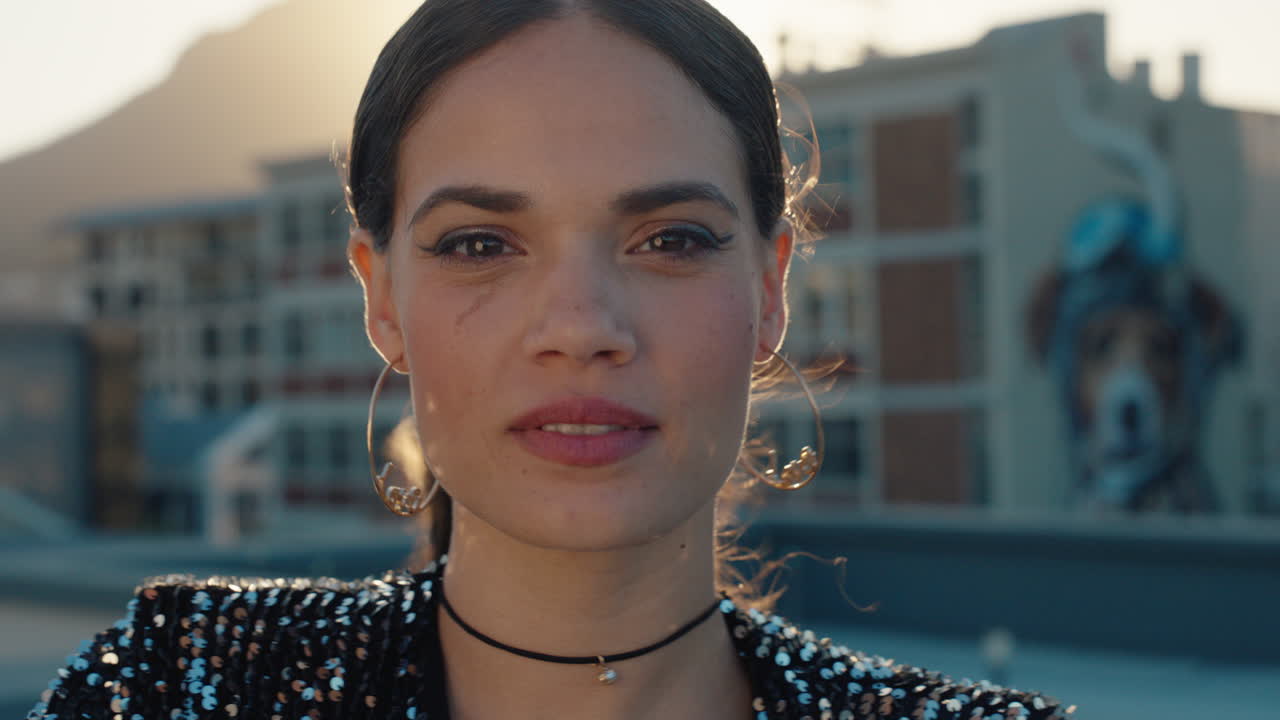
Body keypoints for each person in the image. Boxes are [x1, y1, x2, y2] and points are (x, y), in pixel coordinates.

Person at [31, 1, 1073, 718]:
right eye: (480, 245)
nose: (579, 325)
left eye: (669, 239)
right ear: (381, 296)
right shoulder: (178, 687)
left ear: (768, 293)